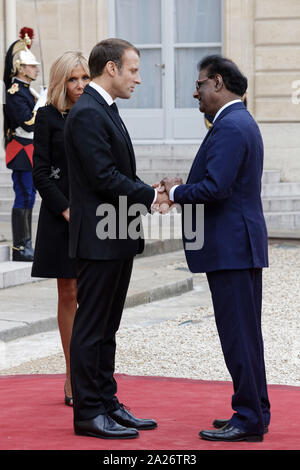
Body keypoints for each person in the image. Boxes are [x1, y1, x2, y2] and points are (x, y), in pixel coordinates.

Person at [162, 55, 270, 442]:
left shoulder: (230, 125)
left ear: (218, 82)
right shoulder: (238, 121)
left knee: (239, 335)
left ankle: (249, 417)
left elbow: (215, 188)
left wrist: (174, 192)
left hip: (231, 248)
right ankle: (255, 409)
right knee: (246, 334)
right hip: (238, 246)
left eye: (200, 84)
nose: (196, 92)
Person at [64, 38, 169, 440]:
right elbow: (103, 176)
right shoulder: (89, 112)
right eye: (133, 70)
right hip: (99, 238)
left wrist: (146, 190)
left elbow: (114, 171)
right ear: (111, 69)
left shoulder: (103, 108)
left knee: (107, 327)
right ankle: (89, 412)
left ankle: (107, 402)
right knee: (92, 327)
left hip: (115, 234)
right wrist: (150, 195)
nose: (138, 79)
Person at [31, 51, 90, 406]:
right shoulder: (48, 117)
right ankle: (72, 375)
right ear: (60, 82)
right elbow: (39, 172)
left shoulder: (97, 111)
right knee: (68, 292)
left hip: (95, 217)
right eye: (73, 79)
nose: (80, 85)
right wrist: (66, 209)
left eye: (84, 77)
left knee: (94, 295)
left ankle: (94, 372)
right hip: (60, 216)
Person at [3, 28, 40, 261]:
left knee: (30, 195)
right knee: (25, 194)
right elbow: (26, 123)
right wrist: (41, 106)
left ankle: (26, 244)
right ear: (21, 69)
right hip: (21, 150)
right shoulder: (15, 91)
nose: (36, 69)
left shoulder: (27, 91)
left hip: (30, 150)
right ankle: (20, 248)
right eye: (32, 66)